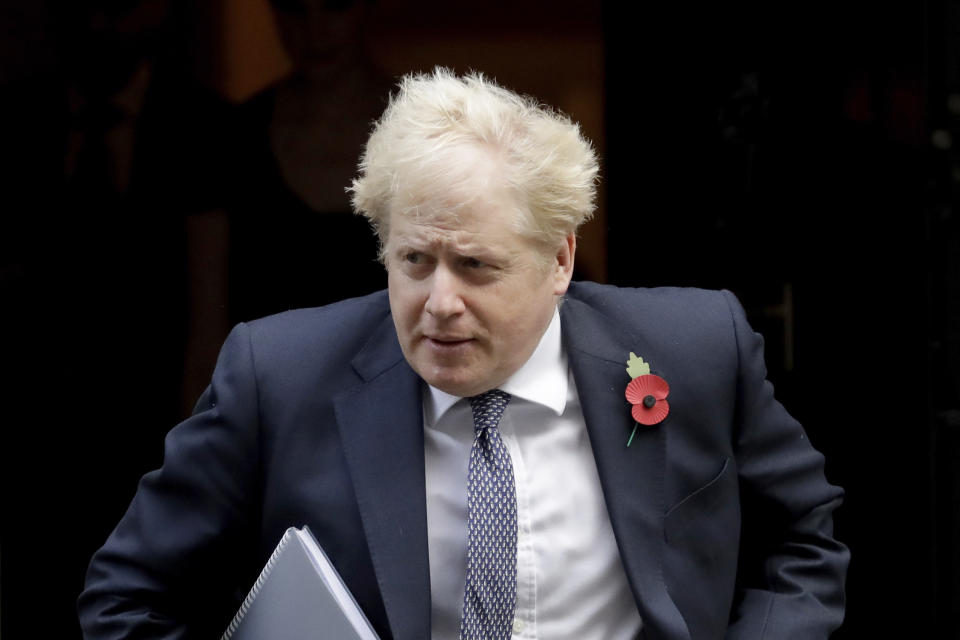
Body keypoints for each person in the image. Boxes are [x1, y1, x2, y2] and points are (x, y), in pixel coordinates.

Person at [78, 68, 849, 640]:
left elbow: (804, 535)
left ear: (559, 261)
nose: (439, 301)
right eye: (414, 261)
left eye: (476, 266)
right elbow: (124, 598)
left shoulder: (695, 347)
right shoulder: (277, 375)